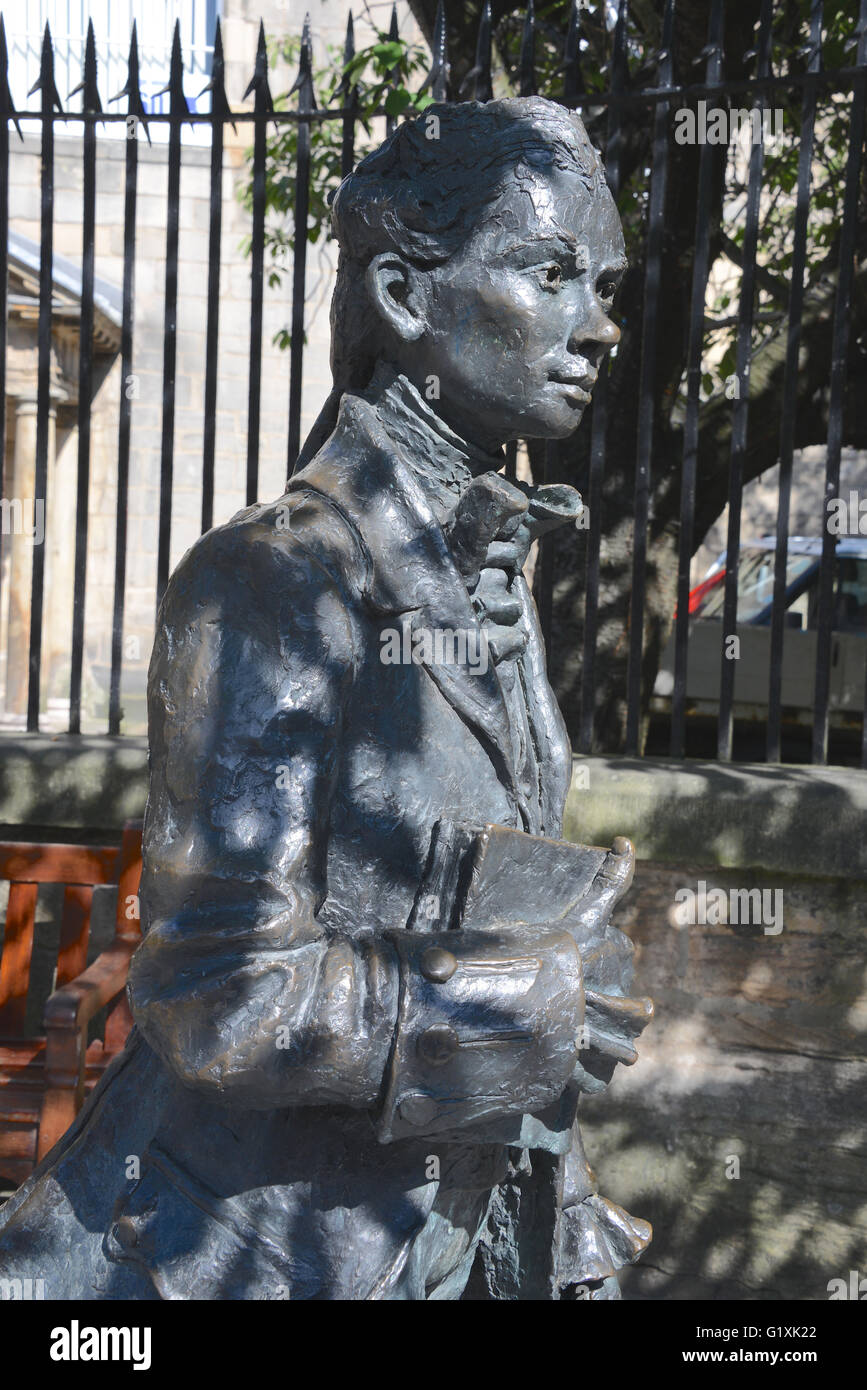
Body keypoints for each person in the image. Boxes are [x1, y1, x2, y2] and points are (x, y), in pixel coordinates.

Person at [0, 97, 651, 1300]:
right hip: (239, 1257)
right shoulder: (277, 581)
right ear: (408, 300)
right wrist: (523, 998)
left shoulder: (488, 572)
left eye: (602, 282)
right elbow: (218, 992)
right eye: (550, 274)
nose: (597, 325)